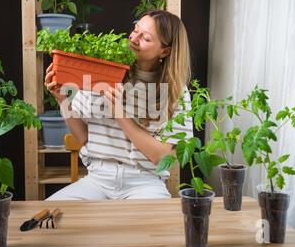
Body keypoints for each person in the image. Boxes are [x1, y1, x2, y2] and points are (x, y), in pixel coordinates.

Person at [44, 10, 193, 200]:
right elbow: (83, 137)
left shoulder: (175, 91)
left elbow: (163, 158)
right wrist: (62, 99)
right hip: (97, 180)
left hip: (145, 183)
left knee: (153, 227)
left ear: (165, 51)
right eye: (135, 30)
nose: (133, 38)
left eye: (145, 38)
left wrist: (119, 114)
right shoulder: (101, 72)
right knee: (47, 221)